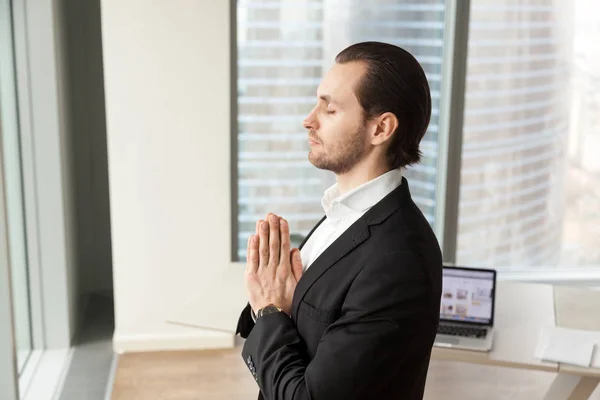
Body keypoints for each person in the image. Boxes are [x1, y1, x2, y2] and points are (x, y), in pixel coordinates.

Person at [236, 41, 443, 400]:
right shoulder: (342, 215)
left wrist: (268, 310)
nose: (308, 120)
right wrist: (270, 301)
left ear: (380, 129)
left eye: (329, 110)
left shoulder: (398, 261)